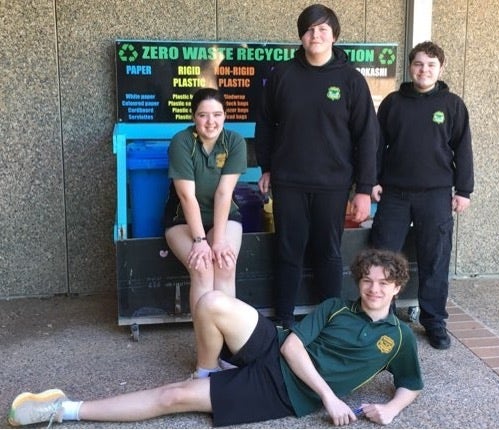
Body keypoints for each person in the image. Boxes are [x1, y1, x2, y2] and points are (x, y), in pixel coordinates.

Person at [8, 249, 423, 428]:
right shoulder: (336, 306)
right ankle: (207, 370)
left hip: (283, 392)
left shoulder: (399, 338)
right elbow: (292, 344)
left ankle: (63, 411)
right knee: (209, 301)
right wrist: (331, 398)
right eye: (368, 281)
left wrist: (391, 409)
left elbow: (411, 383)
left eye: (384, 283)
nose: (374, 289)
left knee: (173, 398)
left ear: (396, 288)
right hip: (276, 346)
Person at [255, 4, 379, 328]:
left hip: (333, 184)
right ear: (301, 35)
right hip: (289, 181)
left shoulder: (351, 80)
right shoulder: (283, 75)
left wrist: (364, 189)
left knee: (328, 253)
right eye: (310, 29)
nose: (316, 35)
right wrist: (265, 167)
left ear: (334, 36)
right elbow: (266, 125)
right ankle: (282, 322)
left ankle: (330, 322)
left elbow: (367, 136)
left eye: (323, 29)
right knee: (287, 252)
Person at [370, 41, 474, 350]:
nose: (423, 70)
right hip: (395, 194)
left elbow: (463, 150)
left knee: (435, 258)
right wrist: (372, 180)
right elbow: (376, 145)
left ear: (440, 68)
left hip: (436, 195)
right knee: (384, 256)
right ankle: (380, 316)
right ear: (410, 67)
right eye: (418, 64)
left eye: (430, 65)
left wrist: (464, 190)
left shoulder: (452, 105)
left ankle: (434, 321)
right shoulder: (392, 103)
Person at [163, 87, 247, 316]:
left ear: (225, 116)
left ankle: (229, 337)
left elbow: (223, 193)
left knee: (225, 264)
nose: (211, 122)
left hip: (224, 215)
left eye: (217, 114)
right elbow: (186, 196)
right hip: (183, 219)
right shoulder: (182, 141)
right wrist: (201, 240)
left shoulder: (235, 142)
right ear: (193, 117)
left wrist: (218, 241)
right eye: (203, 115)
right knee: (202, 267)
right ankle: (206, 340)